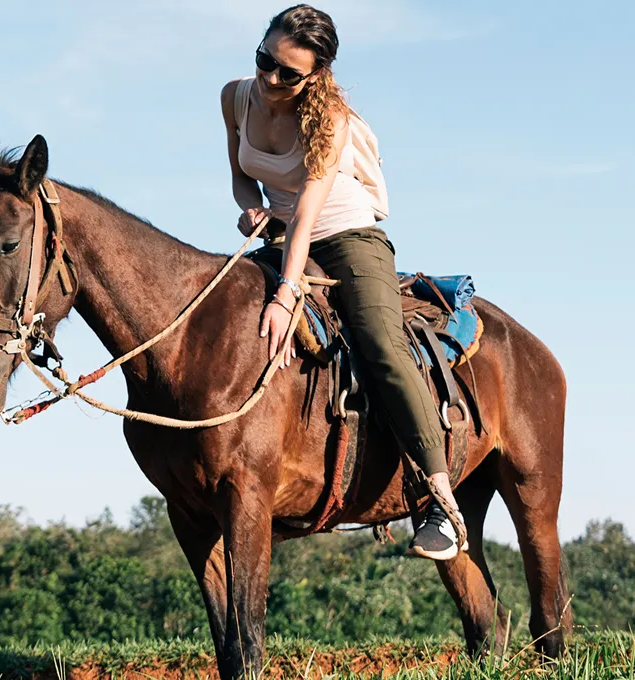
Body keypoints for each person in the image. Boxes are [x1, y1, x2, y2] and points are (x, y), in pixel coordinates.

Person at [226, 4, 463, 561]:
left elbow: (309, 215)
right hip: (284, 236)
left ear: (316, 75)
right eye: (265, 60)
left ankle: (438, 497)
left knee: (380, 345)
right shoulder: (234, 96)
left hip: (345, 234)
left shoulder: (328, 120)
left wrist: (287, 294)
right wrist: (253, 211)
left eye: (288, 73)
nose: (270, 78)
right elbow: (241, 178)